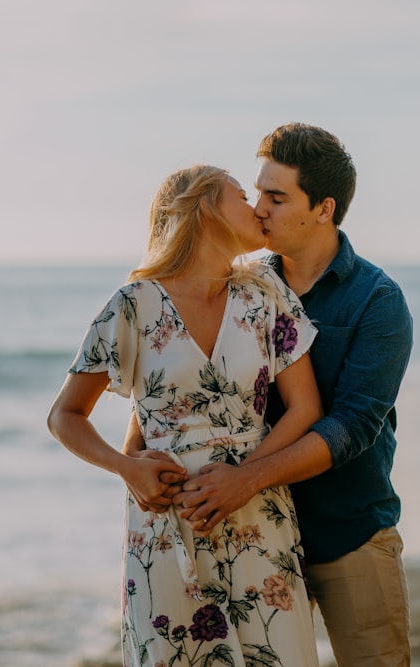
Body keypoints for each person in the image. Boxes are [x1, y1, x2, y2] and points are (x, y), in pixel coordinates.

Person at [47, 164, 323, 666]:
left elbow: (306, 408)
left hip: (258, 517)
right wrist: (126, 467)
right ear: (207, 207)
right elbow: (65, 415)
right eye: (242, 195)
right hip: (166, 524)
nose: (258, 207)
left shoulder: (265, 295)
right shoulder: (133, 305)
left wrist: (245, 478)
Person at [171, 124, 415, 665]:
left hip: (349, 533)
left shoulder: (378, 301)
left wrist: (245, 478)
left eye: (277, 198)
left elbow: (351, 427)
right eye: (258, 193)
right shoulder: (242, 284)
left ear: (324, 208)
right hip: (255, 536)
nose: (259, 209)